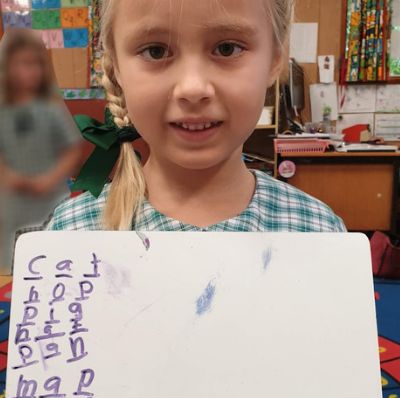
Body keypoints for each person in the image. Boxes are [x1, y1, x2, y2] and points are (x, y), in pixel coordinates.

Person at [47, 0, 345, 233]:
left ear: (274, 60)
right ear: (116, 68)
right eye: (155, 50)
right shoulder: (71, 235)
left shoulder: (318, 232)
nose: (192, 87)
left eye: (227, 48)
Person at [0, 28, 82, 271]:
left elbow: (73, 149)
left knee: (52, 262)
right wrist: (8, 176)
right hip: (12, 204)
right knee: (13, 266)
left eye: (37, 64)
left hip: (51, 202)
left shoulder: (51, 109)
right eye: (24, 64)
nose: (32, 71)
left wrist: (50, 179)